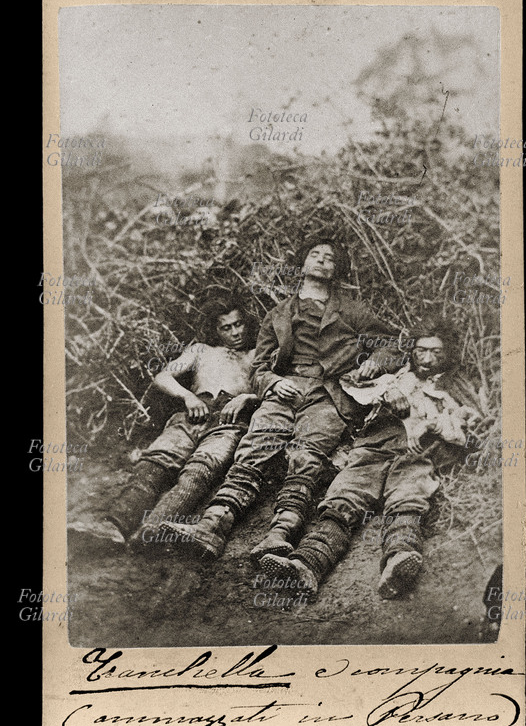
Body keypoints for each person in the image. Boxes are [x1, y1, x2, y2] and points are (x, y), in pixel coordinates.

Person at [164, 234, 397, 561]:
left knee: (307, 454)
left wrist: (374, 362)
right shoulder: (278, 314)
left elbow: (391, 343)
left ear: (337, 270)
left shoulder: (352, 310)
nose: (321, 260)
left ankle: (280, 534)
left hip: (331, 393)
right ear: (302, 263)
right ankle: (213, 524)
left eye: (330, 258)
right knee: (256, 444)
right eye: (314, 254)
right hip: (284, 390)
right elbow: (258, 368)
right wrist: (273, 382)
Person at [258, 318, 486, 602]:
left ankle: (399, 558)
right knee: (344, 497)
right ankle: (307, 564)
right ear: (412, 351)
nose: (427, 359)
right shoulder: (397, 374)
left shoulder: (457, 386)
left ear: (448, 354)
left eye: (436, 352)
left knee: (407, 496)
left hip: (418, 453)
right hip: (374, 445)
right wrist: (388, 392)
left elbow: (472, 430)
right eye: (421, 350)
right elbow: (349, 383)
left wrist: (433, 424)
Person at [69, 297, 259, 546]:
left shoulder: (257, 354)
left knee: (199, 471)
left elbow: (274, 386)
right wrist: (187, 396)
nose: (235, 332)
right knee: (155, 463)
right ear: (216, 330)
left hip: (229, 420)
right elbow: (163, 376)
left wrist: (248, 398)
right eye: (226, 327)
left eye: (239, 324)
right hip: (192, 413)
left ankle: (153, 530)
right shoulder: (201, 350)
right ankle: (113, 525)